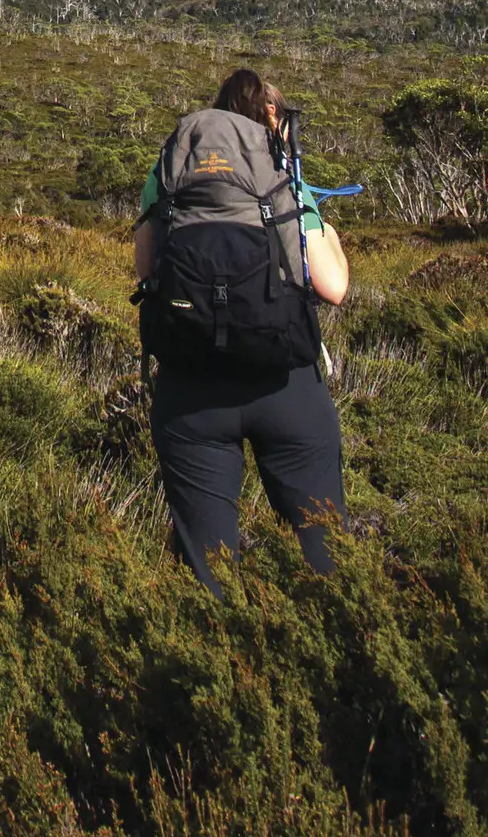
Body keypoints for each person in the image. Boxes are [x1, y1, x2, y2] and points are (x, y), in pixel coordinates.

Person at [135, 69, 352, 592]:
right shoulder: (282, 175)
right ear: (271, 121)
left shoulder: (173, 169)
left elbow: (147, 270)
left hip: (191, 391)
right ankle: (332, 656)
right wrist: (331, 234)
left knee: (207, 573)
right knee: (324, 556)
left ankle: (218, 660)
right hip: (286, 384)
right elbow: (332, 286)